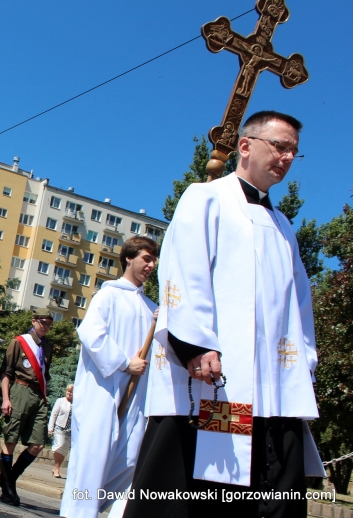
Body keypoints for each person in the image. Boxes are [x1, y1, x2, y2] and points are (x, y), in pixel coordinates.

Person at [124, 111, 323, 518]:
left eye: (294, 152)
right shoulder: (206, 196)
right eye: (280, 146)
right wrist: (196, 344)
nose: (287, 157)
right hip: (216, 381)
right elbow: (184, 270)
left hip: (272, 387)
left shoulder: (283, 225)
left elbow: (299, 304)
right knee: (204, 491)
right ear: (245, 146)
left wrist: (304, 367)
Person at [60, 236, 158, 518]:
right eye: (146, 259)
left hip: (135, 396)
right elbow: (91, 334)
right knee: (92, 460)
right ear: (129, 258)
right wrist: (126, 363)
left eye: (153, 261)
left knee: (129, 460)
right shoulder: (108, 295)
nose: (150, 266)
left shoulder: (152, 308)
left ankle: (93, 508)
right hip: (102, 392)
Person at [0, 308, 55, 506]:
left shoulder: (47, 347)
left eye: (49, 323)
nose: (45, 326)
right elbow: (6, 372)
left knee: (38, 444)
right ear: (34, 321)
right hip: (19, 390)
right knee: (11, 439)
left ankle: (9, 479)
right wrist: (6, 398)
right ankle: (8, 489)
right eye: (42, 322)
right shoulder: (19, 342)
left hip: (38, 395)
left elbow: (45, 374)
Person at [48, 384, 73, 479]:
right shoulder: (60, 401)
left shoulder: (76, 403)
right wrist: (50, 428)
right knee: (59, 445)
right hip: (59, 428)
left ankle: (56, 468)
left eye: (71, 392)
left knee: (64, 449)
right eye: (68, 391)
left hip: (70, 430)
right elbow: (54, 414)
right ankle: (56, 467)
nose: (69, 393)